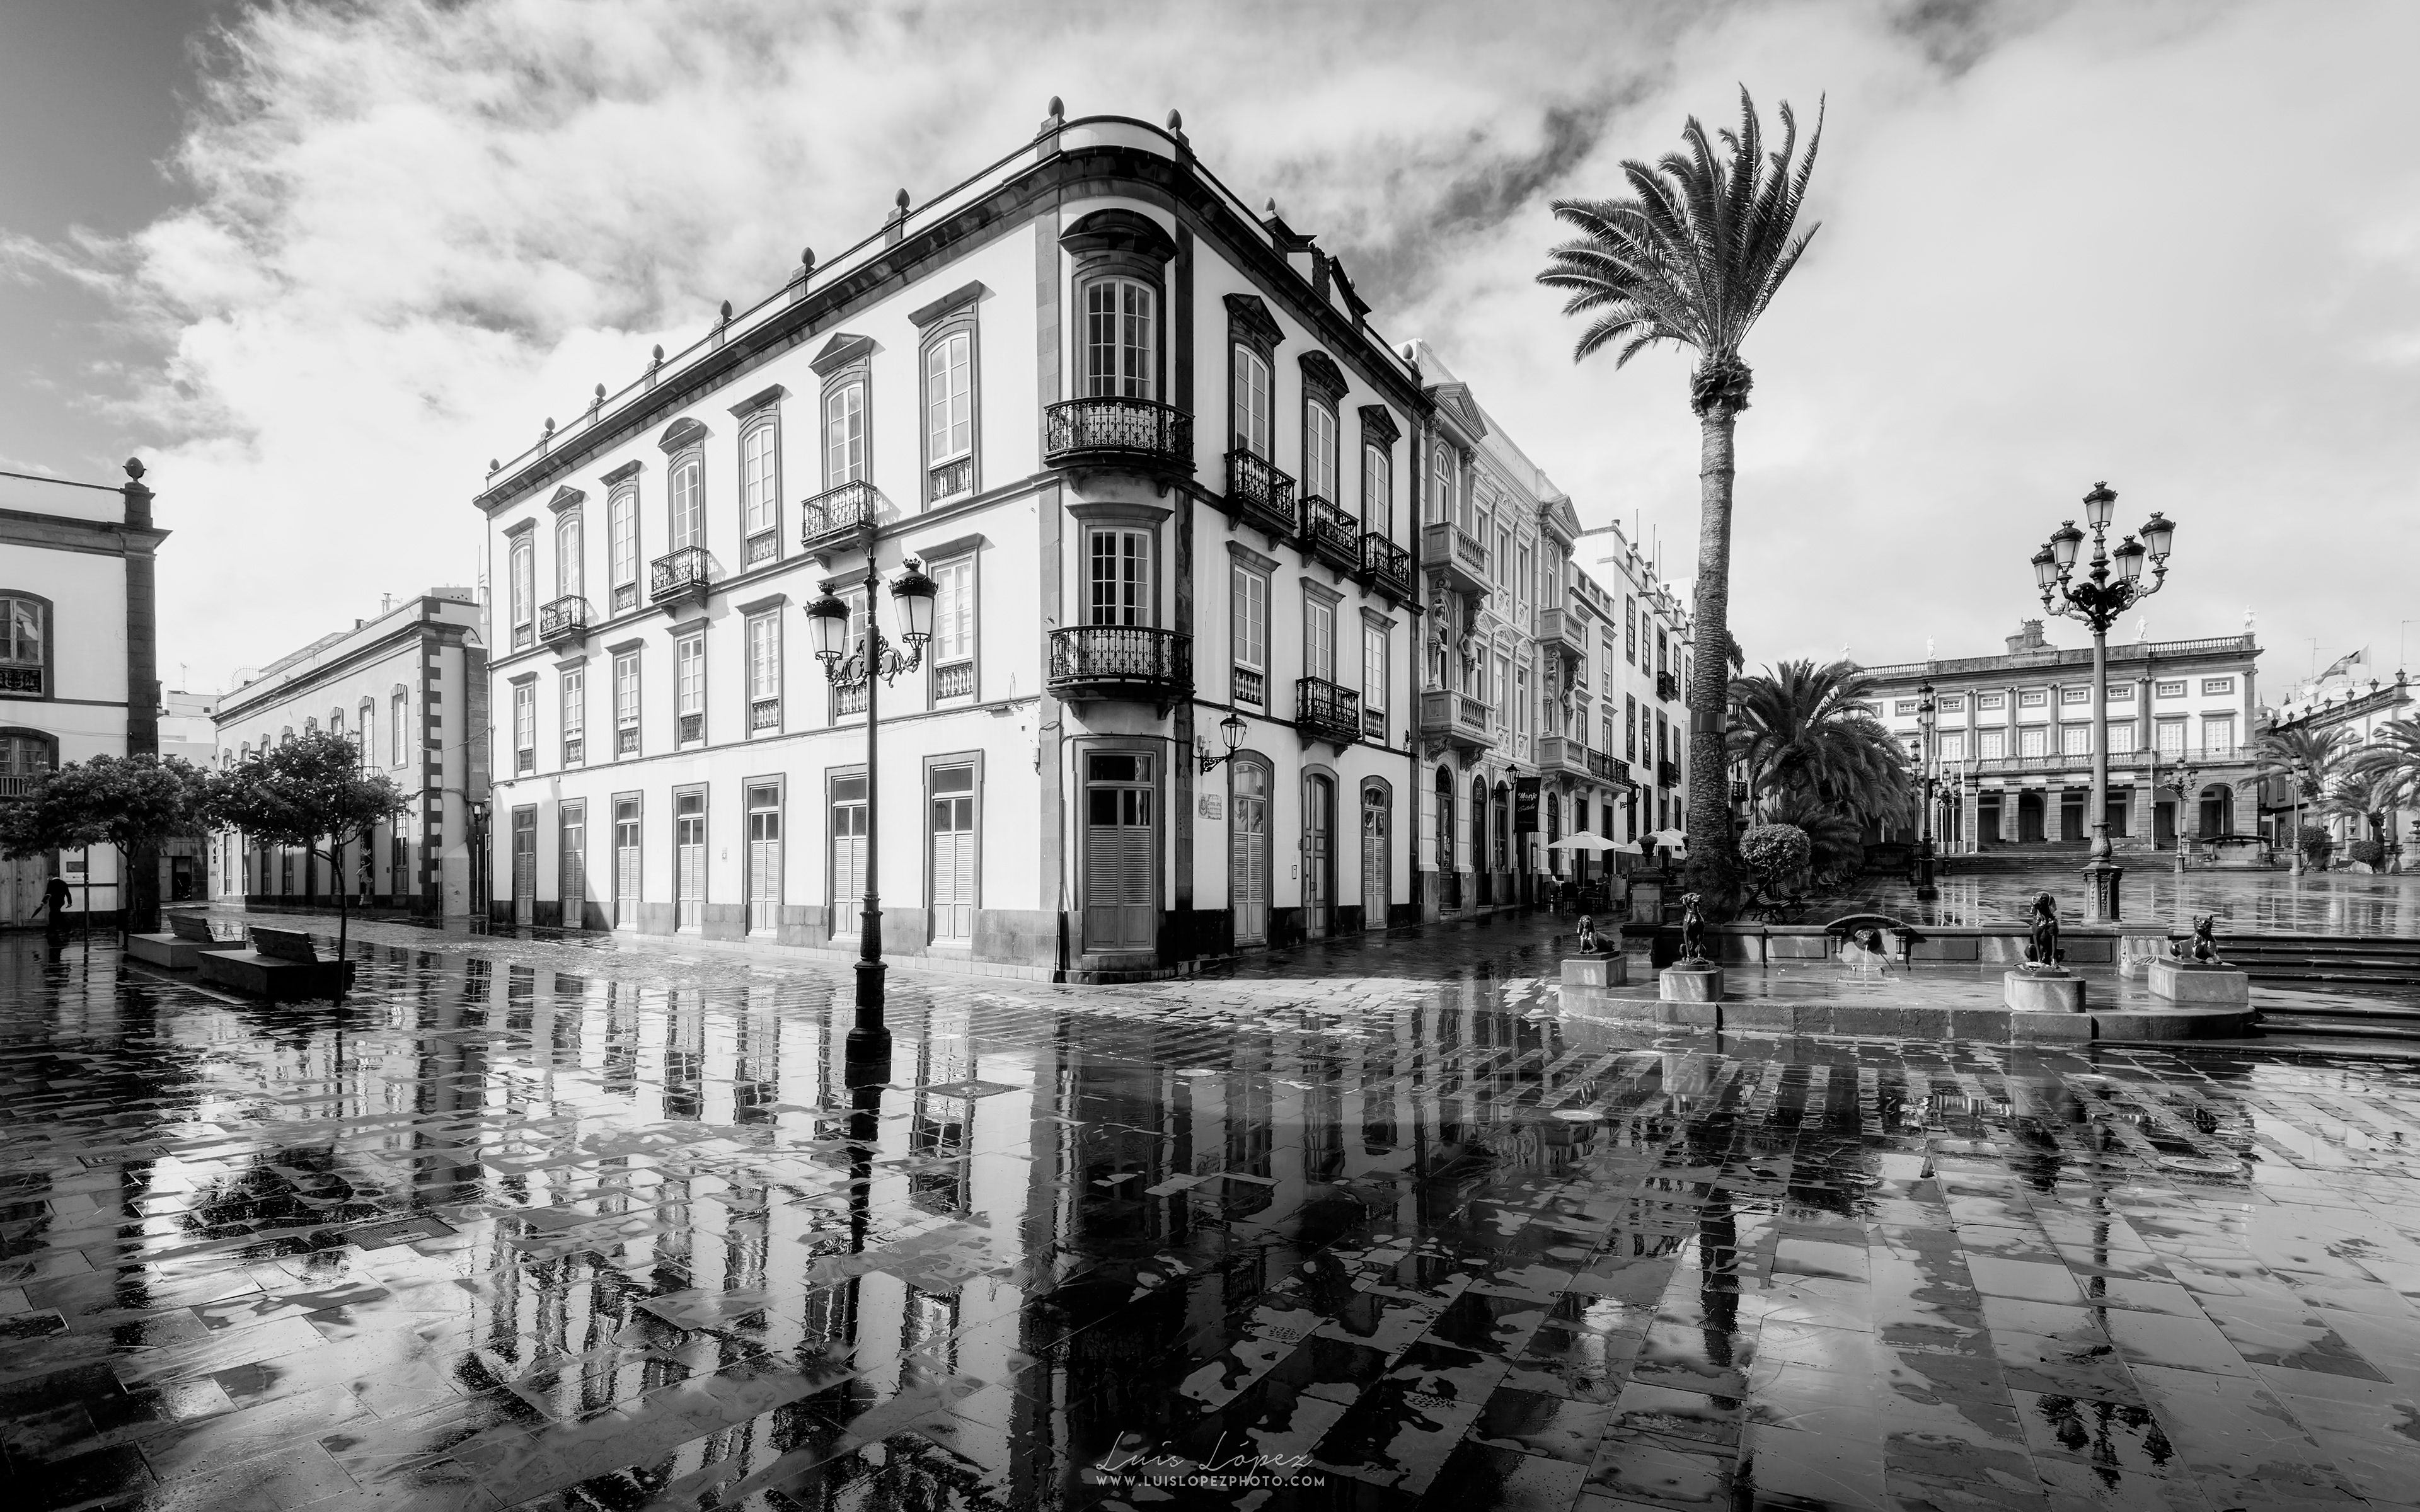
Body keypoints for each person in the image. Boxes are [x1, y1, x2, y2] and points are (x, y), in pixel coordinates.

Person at [38, 875, 72, 941]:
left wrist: (44, 902)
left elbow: (48, 894)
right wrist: (70, 903)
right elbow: (68, 894)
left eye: (48, 877)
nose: (48, 879)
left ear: (51, 876)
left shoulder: (51, 883)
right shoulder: (63, 883)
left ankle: (66, 930)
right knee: (55, 915)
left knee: (55, 916)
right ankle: (53, 930)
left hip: (53, 902)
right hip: (61, 901)